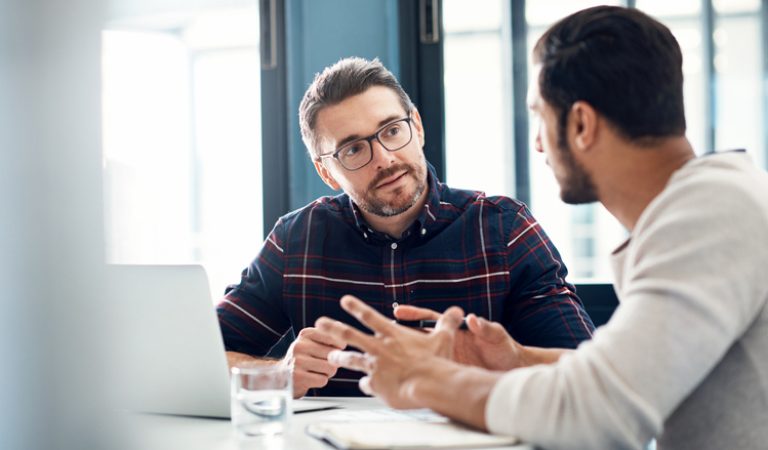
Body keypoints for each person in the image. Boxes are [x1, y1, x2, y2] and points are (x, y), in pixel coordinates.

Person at [316, 6, 768, 449]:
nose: (536, 143)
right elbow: (630, 373)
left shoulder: (711, 215)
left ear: (581, 124)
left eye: (539, 116)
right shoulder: (710, 207)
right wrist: (517, 358)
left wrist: (428, 381)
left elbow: (599, 412)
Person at [216, 57, 595, 398]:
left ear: (417, 125)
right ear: (325, 172)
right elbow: (201, 360)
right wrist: (276, 374)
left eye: (392, 130)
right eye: (353, 149)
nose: (384, 158)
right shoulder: (295, 241)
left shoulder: (505, 229)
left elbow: (586, 374)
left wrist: (504, 360)